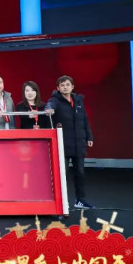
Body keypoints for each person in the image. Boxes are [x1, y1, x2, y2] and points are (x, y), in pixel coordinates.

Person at [45, 75, 95, 209]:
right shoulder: (55, 100)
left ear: (72, 86)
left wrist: (89, 137)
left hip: (79, 143)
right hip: (63, 144)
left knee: (80, 172)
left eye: (67, 85)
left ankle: (80, 200)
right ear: (58, 88)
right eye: (62, 85)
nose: (65, 87)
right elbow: (49, 105)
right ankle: (60, 202)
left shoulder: (78, 101)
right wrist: (49, 109)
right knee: (62, 174)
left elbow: (84, 120)